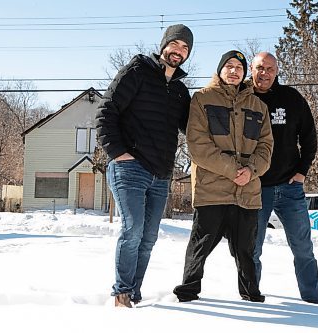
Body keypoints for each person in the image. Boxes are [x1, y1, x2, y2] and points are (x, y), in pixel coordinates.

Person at [95, 24, 194, 308]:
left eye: (185, 48)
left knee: (149, 238)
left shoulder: (179, 91)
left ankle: (135, 294)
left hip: (161, 175)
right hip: (130, 168)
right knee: (133, 229)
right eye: (175, 44)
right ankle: (122, 293)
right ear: (163, 45)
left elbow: (193, 129)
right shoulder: (136, 72)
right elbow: (106, 112)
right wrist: (118, 153)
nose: (179, 51)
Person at [173, 50, 273, 303]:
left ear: (244, 72)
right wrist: (233, 170)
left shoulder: (258, 107)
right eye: (228, 66)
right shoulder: (202, 99)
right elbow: (198, 146)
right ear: (220, 70)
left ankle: (251, 294)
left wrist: (250, 171)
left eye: (238, 67)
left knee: (246, 252)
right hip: (212, 191)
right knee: (200, 247)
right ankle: (188, 292)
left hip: (247, 193)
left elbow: (266, 147)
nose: (233, 71)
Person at [250, 52, 318, 305]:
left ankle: (312, 298)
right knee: (252, 249)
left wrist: (302, 172)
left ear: (277, 71)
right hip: (255, 188)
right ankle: (251, 296)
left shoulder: (291, 99)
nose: (265, 73)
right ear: (252, 69)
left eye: (270, 68)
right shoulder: (242, 98)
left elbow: (309, 139)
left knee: (303, 247)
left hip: (289, 188)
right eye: (260, 67)